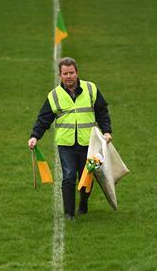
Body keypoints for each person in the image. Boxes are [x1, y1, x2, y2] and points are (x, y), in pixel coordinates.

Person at [28, 57, 112, 219]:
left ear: (77, 73)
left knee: (86, 175)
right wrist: (34, 136)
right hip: (66, 144)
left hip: (88, 143)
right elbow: (44, 118)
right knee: (68, 176)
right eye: (65, 73)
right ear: (60, 75)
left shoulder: (91, 89)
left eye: (71, 73)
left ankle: (83, 203)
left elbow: (102, 111)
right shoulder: (54, 96)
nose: (69, 76)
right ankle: (69, 213)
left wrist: (107, 131)